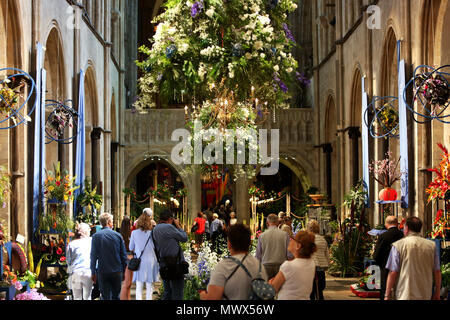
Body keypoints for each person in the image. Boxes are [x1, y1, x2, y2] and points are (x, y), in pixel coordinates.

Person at [200, 224, 268, 300]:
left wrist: (203, 296)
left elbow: (213, 298)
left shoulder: (223, 266)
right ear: (249, 243)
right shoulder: (259, 267)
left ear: (229, 244)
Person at [384, 217, 442, 300]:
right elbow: (437, 271)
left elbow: (393, 272)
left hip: (405, 293)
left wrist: (387, 294)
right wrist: (437, 293)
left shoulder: (398, 245)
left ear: (406, 228)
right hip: (425, 293)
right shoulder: (431, 246)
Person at [268, 231, 317, 300]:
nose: (290, 241)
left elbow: (273, 289)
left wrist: (270, 283)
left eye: (292, 239)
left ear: (298, 246)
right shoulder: (311, 263)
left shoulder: (288, 266)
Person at [90, 212, 128, 300]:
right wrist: (124, 269)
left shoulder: (96, 236)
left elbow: (93, 256)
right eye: (112, 221)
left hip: (103, 271)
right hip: (117, 270)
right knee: (116, 296)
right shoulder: (118, 236)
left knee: (105, 296)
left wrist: (93, 271)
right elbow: (123, 255)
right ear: (109, 222)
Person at [152, 209, 188, 300]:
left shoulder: (154, 229)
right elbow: (184, 238)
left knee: (167, 292)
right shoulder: (169, 227)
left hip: (163, 264)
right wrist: (178, 226)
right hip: (175, 265)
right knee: (177, 293)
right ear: (170, 219)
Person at [372, 216, 404, 300]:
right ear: (397, 224)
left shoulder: (383, 236)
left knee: (385, 288)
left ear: (386, 224)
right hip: (401, 267)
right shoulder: (402, 235)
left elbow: (376, 254)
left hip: (385, 267)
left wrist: (381, 264)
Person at [129, 212, 159, 300]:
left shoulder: (134, 233)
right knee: (149, 285)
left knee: (139, 285)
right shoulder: (152, 233)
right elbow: (155, 246)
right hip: (151, 260)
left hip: (140, 260)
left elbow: (131, 247)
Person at [255, 214, 293, 279]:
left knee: (268, 287)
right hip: (281, 265)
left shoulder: (262, 236)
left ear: (267, 223)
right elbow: (289, 254)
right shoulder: (284, 235)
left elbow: (258, 255)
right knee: (280, 287)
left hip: (266, 266)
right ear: (278, 223)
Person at [66, 223, 93, 300]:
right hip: (88, 271)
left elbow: (68, 260)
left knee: (77, 297)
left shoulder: (72, 244)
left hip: (76, 272)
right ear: (86, 232)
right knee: (87, 297)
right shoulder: (91, 241)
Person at [307, 220, 330, 300]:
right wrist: (327, 264)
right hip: (321, 266)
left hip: (310, 266)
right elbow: (326, 253)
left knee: (311, 290)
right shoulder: (323, 240)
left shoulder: (309, 239)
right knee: (320, 289)